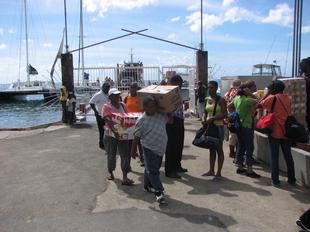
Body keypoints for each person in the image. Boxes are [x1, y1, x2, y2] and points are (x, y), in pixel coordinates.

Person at [130, 96, 169, 204]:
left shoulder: (160, 115)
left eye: (154, 106)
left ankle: (147, 186)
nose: (152, 109)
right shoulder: (142, 120)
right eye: (150, 107)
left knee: (152, 167)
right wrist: (133, 151)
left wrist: (168, 110)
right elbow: (136, 136)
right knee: (153, 171)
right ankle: (159, 192)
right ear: (145, 107)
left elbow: (170, 121)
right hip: (149, 148)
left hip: (160, 148)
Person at [259, 80, 296, 186]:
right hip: (287, 131)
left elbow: (260, 105)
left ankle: (275, 180)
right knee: (288, 155)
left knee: (274, 157)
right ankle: (292, 179)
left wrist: (267, 94)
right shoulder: (288, 98)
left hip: (274, 131)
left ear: (274, 88)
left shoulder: (272, 98)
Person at [102, 88, 133, 186]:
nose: (117, 96)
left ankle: (125, 177)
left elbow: (127, 117)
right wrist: (115, 132)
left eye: (118, 94)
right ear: (110, 97)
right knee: (111, 154)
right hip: (110, 133)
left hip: (122, 131)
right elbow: (107, 120)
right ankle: (110, 172)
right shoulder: (106, 106)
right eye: (115, 95)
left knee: (125, 154)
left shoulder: (123, 105)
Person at [229, 84, 261, 178]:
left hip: (238, 125)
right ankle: (249, 170)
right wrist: (251, 94)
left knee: (241, 146)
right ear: (245, 91)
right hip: (247, 125)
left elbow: (229, 106)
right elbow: (260, 101)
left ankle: (240, 167)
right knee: (249, 147)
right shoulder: (248, 100)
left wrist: (234, 114)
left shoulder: (237, 99)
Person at [202, 81, 227, 178]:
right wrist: (204, 118)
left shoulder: (221, 100)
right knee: (211, 149)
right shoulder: (207, 99)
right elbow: (205, 111)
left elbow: (225, 114)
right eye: (208, 87)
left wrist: (213, 118)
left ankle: (219, 173)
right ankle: (211, 170)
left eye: (212, 87)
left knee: (219, 149)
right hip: (209, 127)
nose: (209, 89)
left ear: (216, 88)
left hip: (218, 127)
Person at [165, 75, 187, 179]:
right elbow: (164, 106)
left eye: (181, 82)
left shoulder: (178, 92)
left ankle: (177, 166)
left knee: (179, 144)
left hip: (179, 120)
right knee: (171, 146)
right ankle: (169, 170)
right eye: (179, 82)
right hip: (172, 121)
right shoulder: (168, 92)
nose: (181, 84)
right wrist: (169, 116)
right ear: (174, 82)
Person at [124, 82, 144, 166]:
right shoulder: (126, 98)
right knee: (129, 143)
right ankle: (128, 164)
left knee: (140, 142)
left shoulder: (140, 98)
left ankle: (143, 159)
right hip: (129, 125)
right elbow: (124, 109)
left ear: (137, 89)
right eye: (131, 87)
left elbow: (143, 109)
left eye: (134, 88)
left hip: (139, 123)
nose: (132, 89)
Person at [89, 82, 110, 149]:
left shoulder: (109, 94)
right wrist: (95, 111)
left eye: (108, 87)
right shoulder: (98, 94)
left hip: (108, 116)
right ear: (102, 87)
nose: (107, 89)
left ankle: (107, 143)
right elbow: (91, 102)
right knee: (102, 130)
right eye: (106, 87)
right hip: (100, 115)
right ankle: (101, 144)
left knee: (108, 130)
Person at [224, 79, 241, 158]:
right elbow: (231, 104)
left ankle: (233, 152)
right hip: (234, 115)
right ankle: (232, 153)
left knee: (233, 135)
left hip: (230, 115)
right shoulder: (235, 92)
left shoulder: (228, 92)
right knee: (234, 135)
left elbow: (226, 101)